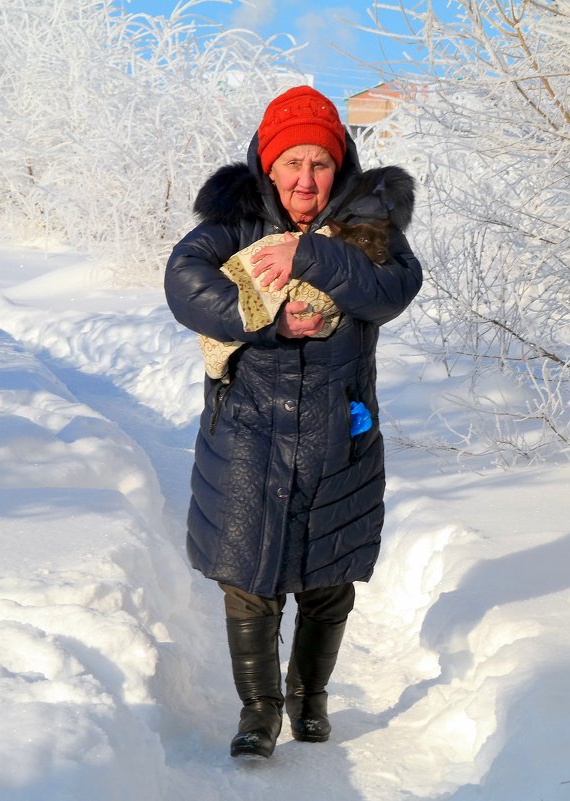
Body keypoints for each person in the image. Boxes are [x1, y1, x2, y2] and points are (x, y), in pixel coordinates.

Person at [164, 85, 422, 759]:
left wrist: (310, 256)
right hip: (248, 429)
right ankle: (259, 712)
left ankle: (310, 699)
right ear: (268, 167)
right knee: (248, 575)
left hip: (340, 428)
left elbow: (391, 289)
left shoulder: (368, 228)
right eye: (291, 164)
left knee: (327, 574)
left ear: (339, 167)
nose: (305, 179)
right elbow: (184, 278)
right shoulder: (236, 219)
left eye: (319, 163)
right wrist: (264, 317)